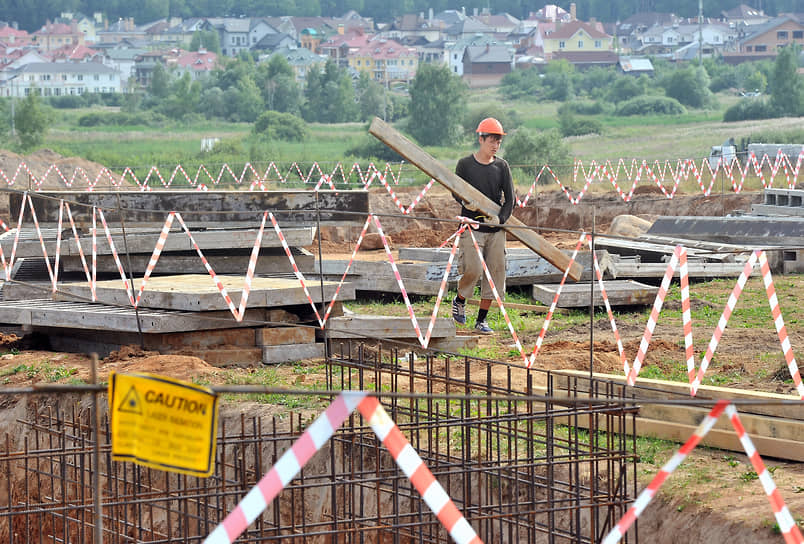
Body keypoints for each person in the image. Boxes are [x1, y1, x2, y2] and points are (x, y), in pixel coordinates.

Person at [451, 117, 514, 334]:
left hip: (495, 231)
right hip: (471, 227)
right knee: (473, 269)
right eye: (492, 141)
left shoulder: (502, 166)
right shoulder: (465, 165)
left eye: (498, 142)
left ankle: (481, 320)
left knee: (495, 273)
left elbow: (510, 200)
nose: (495, 145)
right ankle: (460, 300)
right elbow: (455, 190)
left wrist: (500, 220)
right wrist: (464, 202)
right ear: (481, 139)